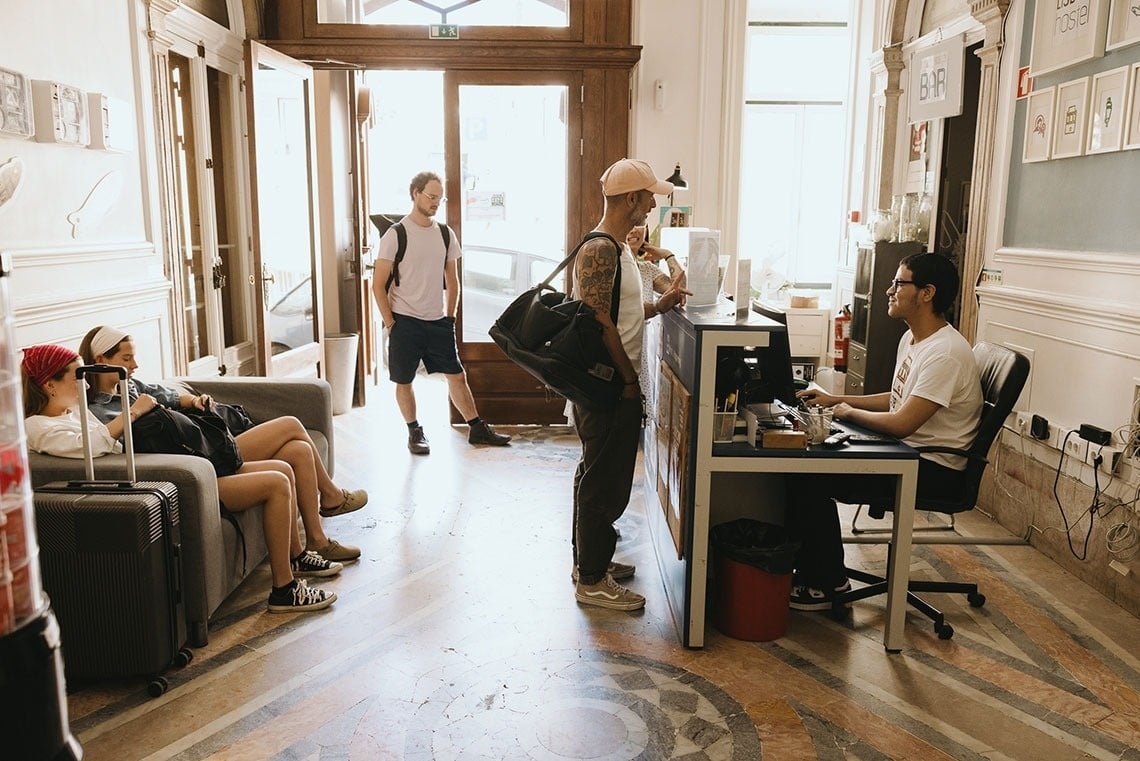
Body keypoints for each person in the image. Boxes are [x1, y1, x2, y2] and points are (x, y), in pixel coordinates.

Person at [21, 344, 338, 613]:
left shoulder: (74, 413)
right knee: (276, 482)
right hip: (167, 481)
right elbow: (94, 446)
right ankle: (283, 589)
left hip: (176, 465)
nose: (87, 386)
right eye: (77, 377)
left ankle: (297, 558)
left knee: (283, 469)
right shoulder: (38, 427)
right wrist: (134, 412)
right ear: (49, 385)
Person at [784, 253, 982, 610]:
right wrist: (836, 399)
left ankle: (826, 583)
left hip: (933, 469)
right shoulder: (913, 339)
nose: (889, 291)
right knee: (807, 466)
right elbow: (896, 400)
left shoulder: (945, 353)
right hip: (905, 453)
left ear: (927, 293)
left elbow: (902, 422)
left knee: (810, 477)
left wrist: (848, 412)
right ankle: (816, 569)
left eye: (899, 283)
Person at [77, 325, 365, 566]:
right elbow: (118, 442)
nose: (134, 365)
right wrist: (136, 410)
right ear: (101, 359)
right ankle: (331, 496)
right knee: (290, 424)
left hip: (205, 444)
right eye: (127, 358)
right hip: (202, 458)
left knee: (298, 450)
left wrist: (194, 400)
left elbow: (170, 396)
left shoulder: (132, 386)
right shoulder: (99, 411)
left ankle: (317, 540)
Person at [570, 158, 688, 611]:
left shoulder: (619, 249)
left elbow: (622, 312)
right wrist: (628, 380)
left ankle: (590, 563)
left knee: (598, 474)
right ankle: (592, 580)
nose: (653, 205)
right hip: (606, 384)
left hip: (612, 382)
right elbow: (599, 322)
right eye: (650, 197)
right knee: (603, 483)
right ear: (631, 198)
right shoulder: (601, 249)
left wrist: (661, 305)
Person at [370, 170, 511, 455]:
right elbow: (377, 285)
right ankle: (414, 431)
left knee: (457, 376)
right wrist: (391, 323)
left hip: (438, 322)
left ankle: (477, 429)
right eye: (431, 196)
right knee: (404, 380)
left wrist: (450, 318)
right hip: (405, 321)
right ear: (415, 194)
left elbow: (453, 280)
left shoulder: (446, 234)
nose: (436, 202)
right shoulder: (396, 235)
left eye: (440, 198)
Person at [627, 223, 688, 393]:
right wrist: (657, 307)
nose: (634, 230)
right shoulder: (614, 268)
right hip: (617, 353)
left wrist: (667, 254)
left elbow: (680, 290)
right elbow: (625, 312)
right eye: (630, 223)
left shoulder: (647, 270)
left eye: (639, 224)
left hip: (639, 353)